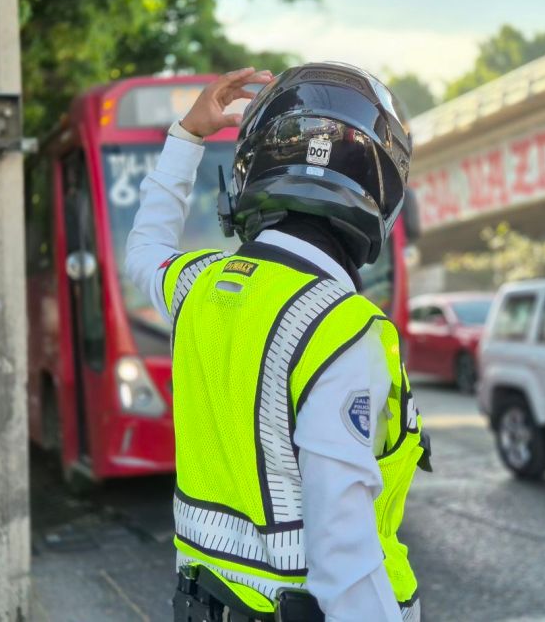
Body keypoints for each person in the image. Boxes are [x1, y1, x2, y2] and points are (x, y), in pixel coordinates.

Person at [126, 63, 428, 622]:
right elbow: (344, 561)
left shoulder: (199, 285)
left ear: (251, 171)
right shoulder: (344, 329)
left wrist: (188, 135)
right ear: (379, 192)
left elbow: (143, 252)